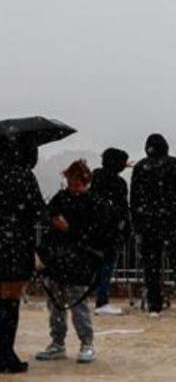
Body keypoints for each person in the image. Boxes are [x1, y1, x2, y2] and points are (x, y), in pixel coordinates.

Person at [35, 160, 105, 366]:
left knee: (78, 305)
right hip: (58, 260)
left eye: (76, 184)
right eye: (70, 183)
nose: (73, 188)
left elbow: (93, 234)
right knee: (56, 305)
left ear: (85, 182)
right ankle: (58, 342)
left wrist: (69, 229)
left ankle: (86, 342)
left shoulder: (93, 203)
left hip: (79, 262)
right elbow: (48, 219)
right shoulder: (62, 198)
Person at [130, 133, 176, 317]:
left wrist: (138, 225)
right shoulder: (175, 164)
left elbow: (134, 200)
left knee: (151, 269)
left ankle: (154, 306)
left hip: (149, 226)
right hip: (174, 225)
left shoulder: (141, 168)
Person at [0, 135, 47, 375]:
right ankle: (6, 353)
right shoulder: (23, 176)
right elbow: (38, 210)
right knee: (10, 301)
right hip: (15, 244)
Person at [89, 148, 132, 315]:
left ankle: (84, 298)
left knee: (94, 265)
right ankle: (102, 301)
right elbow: (122, 209)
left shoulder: (95, 178)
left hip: (93, 230)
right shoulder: (118, 183)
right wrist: (125, 228)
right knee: (107, 265)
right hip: (110, 231)